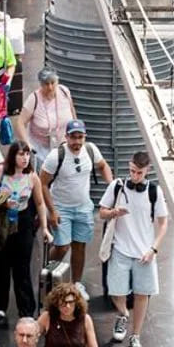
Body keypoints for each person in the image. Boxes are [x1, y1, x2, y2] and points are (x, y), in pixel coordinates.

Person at [99, 150, 169, 347]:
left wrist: (153, 249)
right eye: (131, 171)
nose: (134, 176)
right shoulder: (118, 186)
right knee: (116, 292)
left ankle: (135, 336)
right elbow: (102, 211)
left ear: (146, 171)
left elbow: (163, 223)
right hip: (120, 249)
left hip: (144, 253)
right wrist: (114, 212)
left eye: (139, 172)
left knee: (141, 294)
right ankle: (122, 315)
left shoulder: (154, 192)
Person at [0, 142, 52, 324]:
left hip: (23, 221)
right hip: (2, 221)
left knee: (22, 267)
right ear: (13, 156)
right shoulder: (0, 172)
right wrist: (3, 202)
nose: (25, 158)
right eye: (21, 154)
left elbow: (39, 203)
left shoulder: (32, 177)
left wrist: (44, 227)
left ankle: (26, 308)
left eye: (27, 155)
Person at [40, 121, 112, 288]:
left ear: (85, 137)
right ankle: (47, 275)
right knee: (62, 247)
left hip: (83, 207)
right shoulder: (56, 156)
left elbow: (102, 166)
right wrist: (52, 211)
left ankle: (76, 284)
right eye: (73, 137)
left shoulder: (90, 150)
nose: (77, 141)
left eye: (80, 137)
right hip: (61, 207)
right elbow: (42, 183)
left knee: (79, 246)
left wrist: (112, 185)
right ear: (66, 137)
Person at [36, 282, 100, 347]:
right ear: (56, 303)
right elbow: (32, 336)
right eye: (63, 303)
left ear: (76, 302)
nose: (67, 307)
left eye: (70, 302)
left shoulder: (85, 319)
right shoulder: (47, 317)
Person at [15, 68, 75, 154]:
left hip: (64, 145)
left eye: (53, 83)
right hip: (41, 149)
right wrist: (27, 143)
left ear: (57, 81)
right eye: (46, 84)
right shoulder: (33, 99)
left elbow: (72, 110)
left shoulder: (64, 91)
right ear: (41, 84)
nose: (50, 87)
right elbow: (20, 123)